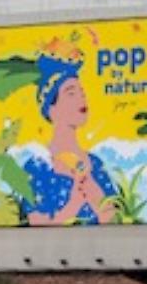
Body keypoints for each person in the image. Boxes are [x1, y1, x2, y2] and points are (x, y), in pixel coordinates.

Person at [21, 49, 117, 226]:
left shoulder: (95, 165)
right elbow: (36, 230)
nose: (81, 97)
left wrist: (97, 198)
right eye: (71, 93)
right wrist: (73, 205)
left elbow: (117, 223)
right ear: (51, 109)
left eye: (82, 92)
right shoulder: (37, 167)